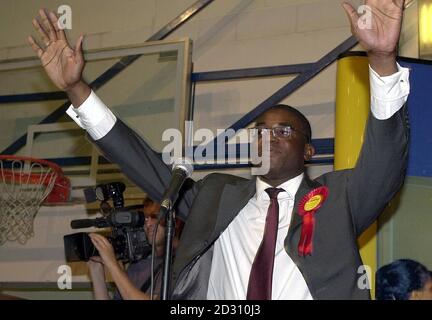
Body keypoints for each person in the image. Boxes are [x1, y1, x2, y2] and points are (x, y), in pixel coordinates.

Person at [28, 0, 410, 299]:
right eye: (261, 130)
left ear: (308, 150)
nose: (268, 137)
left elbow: (385, 161)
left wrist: (381, 58)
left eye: (284, 130)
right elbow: (138, 160)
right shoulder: (215, 195)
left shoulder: (338, 199)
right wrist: (77, 90)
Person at [87, 198, 183, 300]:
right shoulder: (139, 265)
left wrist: (112, 264)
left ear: (175, 221)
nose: (148, 224)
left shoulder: (180, 265)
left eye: (155, 216)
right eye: (145, 218)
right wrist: (96, 269)